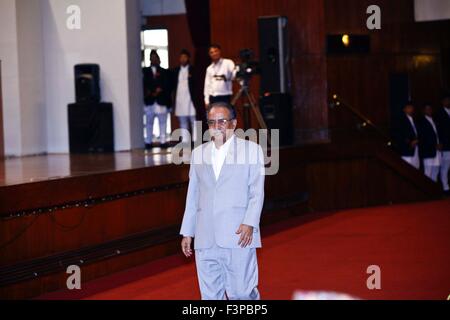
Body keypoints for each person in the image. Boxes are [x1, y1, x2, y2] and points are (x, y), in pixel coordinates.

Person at [179, 102, 265, 300]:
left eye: (222, 121)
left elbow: (256, 192)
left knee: (242, 293)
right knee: (209, 296)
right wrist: (187, 232)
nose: (216, 127)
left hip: (239, 234)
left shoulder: (252, 150)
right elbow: (193, 195)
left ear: (233, 124)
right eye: (212, 122)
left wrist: (250, 222)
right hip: (205, 236)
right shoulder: (198, 153)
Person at [143, 50, 172, 149]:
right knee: (149, 122)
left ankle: (163, 141)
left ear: (158, 59)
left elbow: (168, 85)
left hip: (161, 100)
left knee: (162, 122)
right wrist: (151, 92)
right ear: (150, 59)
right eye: (152, 57)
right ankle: (148, 141)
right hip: (149, 100)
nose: (154, 59)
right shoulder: (145, 71)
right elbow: (143, 85)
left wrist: (160, 90)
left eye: (156, 57)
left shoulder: (164, 71)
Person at [172, 49, 197, 145]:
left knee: (193, 121)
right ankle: (185, 142)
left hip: (191, 99)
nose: (183, 59)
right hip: (180, 99)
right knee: (182, 122)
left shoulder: (193, 70)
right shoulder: (175, 71)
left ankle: (195, 141)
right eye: (181, 57)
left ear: (188, 58)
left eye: (185, 57)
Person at [392, 101, 420, 169]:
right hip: (406, 150)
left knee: (416, 168)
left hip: (416, 149)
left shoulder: (415, 119)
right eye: (409, 107)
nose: (411, 109)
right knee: (407, 169)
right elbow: (398, 135)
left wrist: (418, 140)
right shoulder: (400, 120)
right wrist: (410, 142)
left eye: (412, 107)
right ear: (404, 109)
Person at [417, 103, 441, 182]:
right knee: (428, 172)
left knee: (436, 170)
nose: (429, 110)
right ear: (423, 111)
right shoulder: (421, 122)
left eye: (430, 109)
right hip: (428, 151)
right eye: (427, 109)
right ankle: (427, 192)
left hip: (437, 151)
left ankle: (433, 190)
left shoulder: (435, 120)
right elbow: (423, 138)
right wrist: (434, 145)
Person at [435, 93, 450, 195]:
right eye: (446, 100)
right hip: (446, 144)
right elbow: (439, 130)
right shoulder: (439, 113)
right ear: (442, 102)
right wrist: (440, 143)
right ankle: (445, 187)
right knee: (445, 166)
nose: (448, 102)